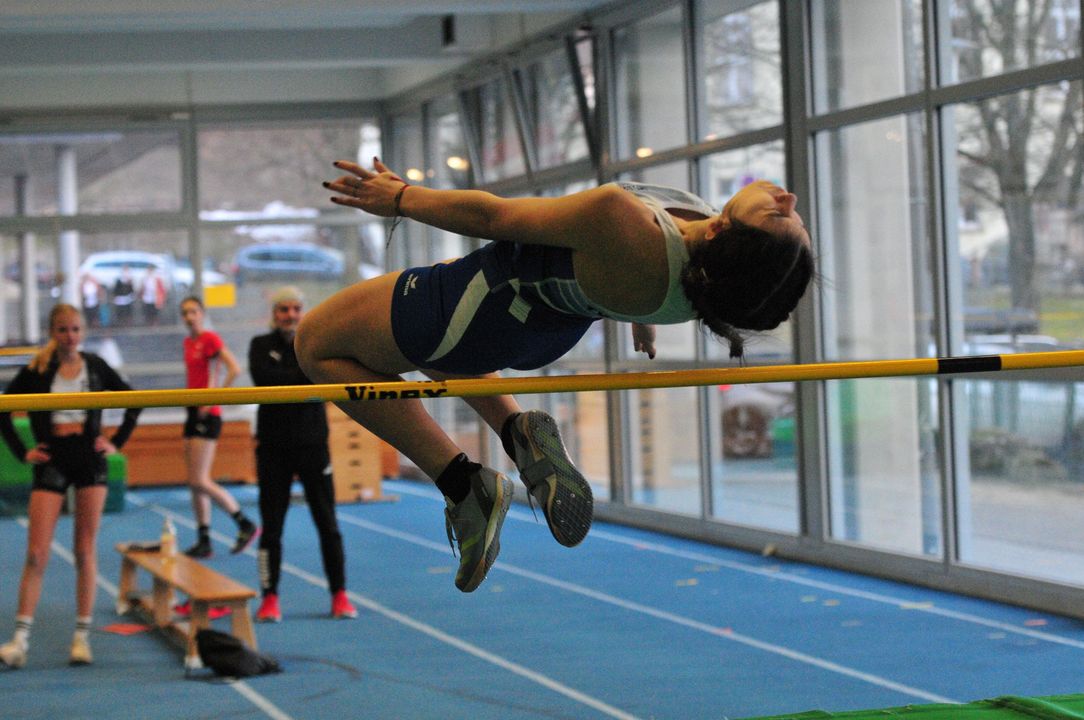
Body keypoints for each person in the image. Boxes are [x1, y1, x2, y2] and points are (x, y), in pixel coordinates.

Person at [297, 158, 814, 593]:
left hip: (478, 303)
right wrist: (640, 314)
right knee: (429, 347)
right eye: (792, 216)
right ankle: (518, 435)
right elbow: (651, 260)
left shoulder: (622, 221)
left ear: (726, 231)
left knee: (318, 346)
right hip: (540, 328)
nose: (787, 198)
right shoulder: (704, 281)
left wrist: (403, 197)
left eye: (776, 214)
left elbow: (493, 215)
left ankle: (462, 482)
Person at [0, 304, 142, 668]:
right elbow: (3, 408)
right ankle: (20, 639)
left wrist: (116, 442)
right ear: (52, 332)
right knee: (36, 553)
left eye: (76, 330)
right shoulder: (37, 369)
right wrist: (22, 452)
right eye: (63, 330)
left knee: (84, 550)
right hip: (53, 456)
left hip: (89, 457)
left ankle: (82, 637)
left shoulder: (95, 366)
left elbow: (133, 400)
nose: (70, 337)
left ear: (83, 333)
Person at [248, 286, 357, 622]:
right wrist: (302, 377)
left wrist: (298, 379)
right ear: (274, 314)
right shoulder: (260, 346)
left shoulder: (314, 345)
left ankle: (339, 594)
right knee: (272, 527)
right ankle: (269, 598)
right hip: (273, 447)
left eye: (296, 309)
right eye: (284, 309)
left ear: (303, 312)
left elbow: (314, 378)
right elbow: (266, 381)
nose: (290, 315)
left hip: (312, 444)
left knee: (328, 523)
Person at [179, 296, 258, 559]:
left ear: (201, 313)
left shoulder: (210, 339)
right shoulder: (188, 343)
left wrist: (216, 397)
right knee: (194, 483)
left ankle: (244, 522)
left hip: (207, 413)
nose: (189, 316)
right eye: (185, 313)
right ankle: (204, 539)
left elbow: (233, 368)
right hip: (192, 411)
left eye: (193, 311)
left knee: (199, 479)